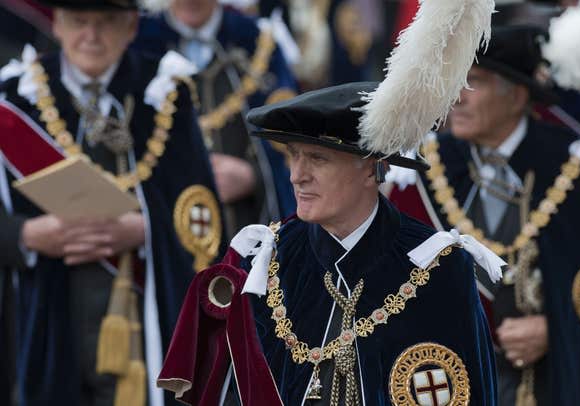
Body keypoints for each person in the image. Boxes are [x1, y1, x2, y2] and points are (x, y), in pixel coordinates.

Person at [157, 0, 502, 403]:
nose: (296, 175)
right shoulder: (265, 260)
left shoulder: (437, 267)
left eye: (317, 159)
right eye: (293, 156)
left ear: (368, 167)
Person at [389, 24, 580, 406]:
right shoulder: (421, 168)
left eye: (474, 81)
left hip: (553, 385)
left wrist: (557, 329)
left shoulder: (578, 165)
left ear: (517, 94)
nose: (457, 97)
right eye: (455, 80)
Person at [0, 0, 226, 405]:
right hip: (45, 318)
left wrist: (145, 230)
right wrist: (27, 235)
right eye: (79, 21)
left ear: (131, 28)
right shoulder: (16, 97)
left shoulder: (164, 91)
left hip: (143, 324)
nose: (91, 35)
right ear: (59, 25)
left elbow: (203, 213)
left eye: (106, 22)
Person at [132, 0, 298, 236]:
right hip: (167, 233)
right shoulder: (137, 43)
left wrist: (254, 176)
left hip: (247, 231)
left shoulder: (258, 42)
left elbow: (291, 144)